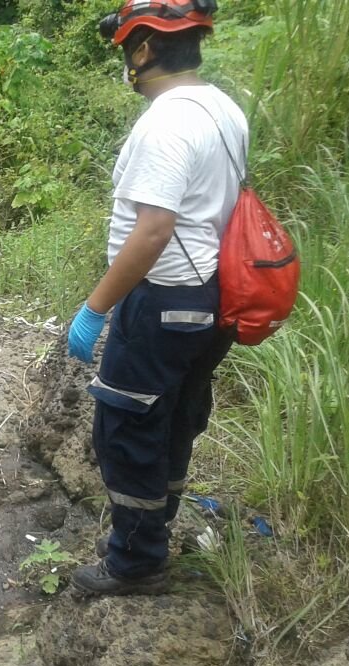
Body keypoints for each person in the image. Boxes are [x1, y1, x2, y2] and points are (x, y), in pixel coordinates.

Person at [67, 0, 244, 595]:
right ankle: (151, 529)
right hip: (209, 297)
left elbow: (152, 231)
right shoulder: (223, 109)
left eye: (127, 50)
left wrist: (95, 308)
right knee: (171, 420)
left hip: (163, 301)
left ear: (143, 50)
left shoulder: (166, 123)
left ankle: (136, 562)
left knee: (127, 426)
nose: (126, 63)